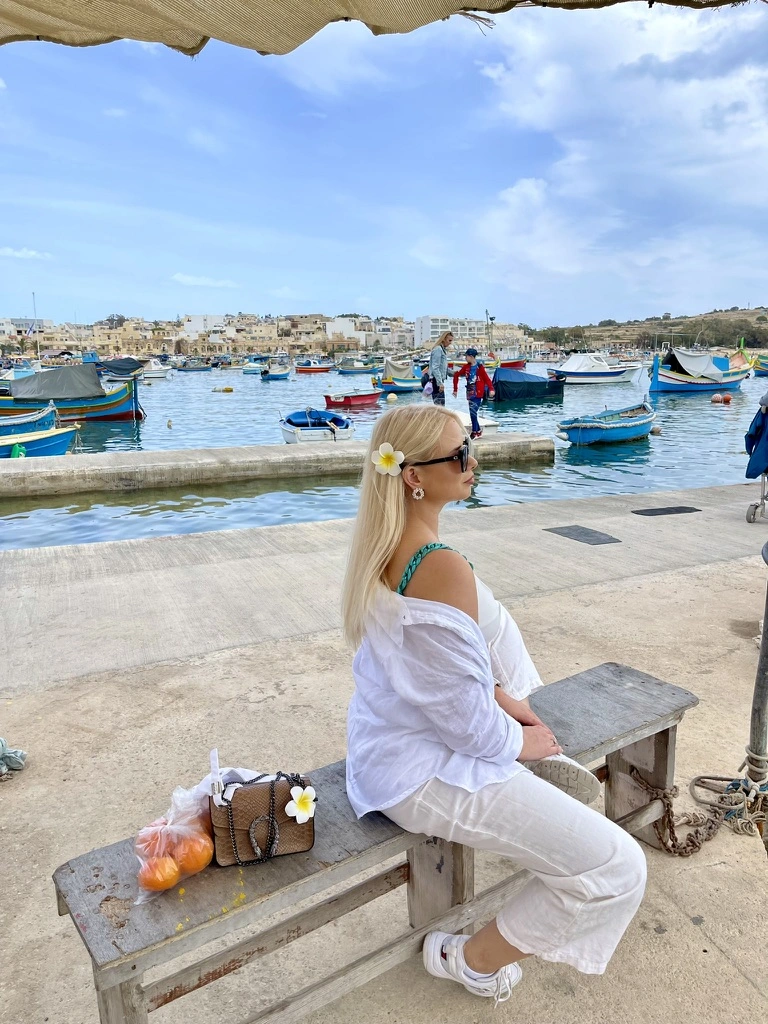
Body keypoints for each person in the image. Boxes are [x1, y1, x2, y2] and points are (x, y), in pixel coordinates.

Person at [342, 405, 646, 1005]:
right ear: (413, 476)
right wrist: (521, 741)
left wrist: (505, 699)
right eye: (460, 454)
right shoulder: (439, 565)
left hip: (390, 746)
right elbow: (467, 724)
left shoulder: (384, 548)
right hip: (422, 769)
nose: (472, 462)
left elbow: (436, 671)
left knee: (581, 843)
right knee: (616, 869)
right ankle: (467, 960)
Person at [453, 347, 495, 438]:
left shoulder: (480, 368)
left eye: (466, 356)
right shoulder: (466, 367)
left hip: (478, 393)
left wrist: (491, 389)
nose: (465, 358)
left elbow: (487, 379)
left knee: (473, 412)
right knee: (473, 413)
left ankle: (474, 432)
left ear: (471, 357)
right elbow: (456, 375)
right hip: (470, 393)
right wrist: (455, 389)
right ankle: (478, 431)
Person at [428, 331, 452, 406]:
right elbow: (435, 367)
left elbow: (443, 368)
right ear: (444, 339)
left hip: (437, 381)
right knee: (440, 407)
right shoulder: (438, 349)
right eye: (449, 340)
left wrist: (455, 373)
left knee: (439, 406)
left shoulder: (442, 349)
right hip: (436, 381)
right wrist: (440, 383)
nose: (450, 343)